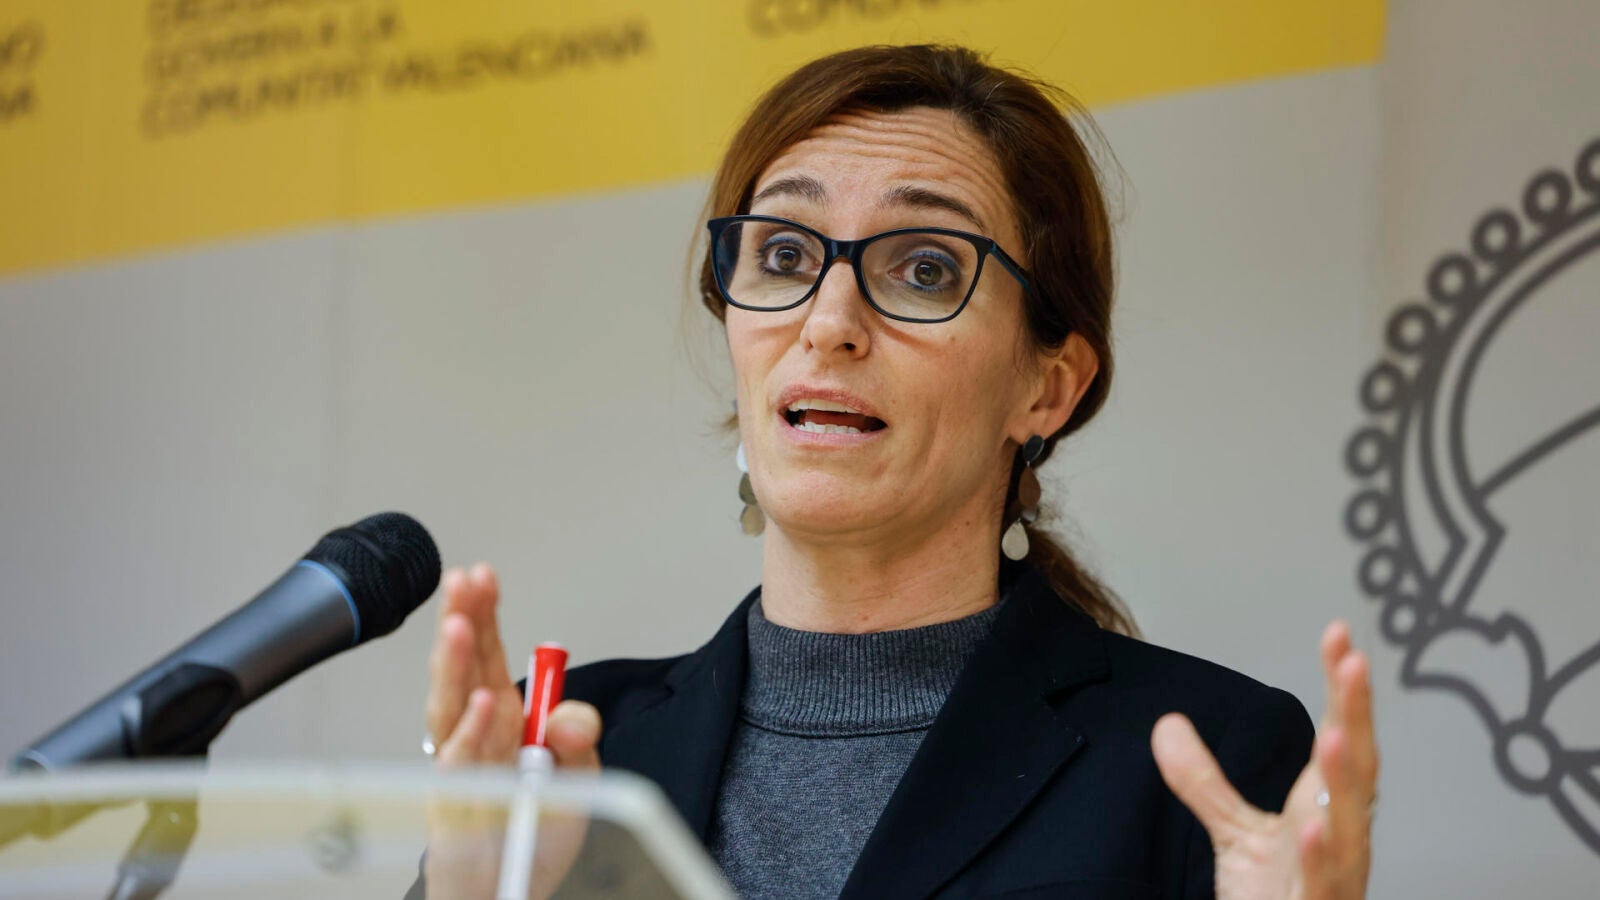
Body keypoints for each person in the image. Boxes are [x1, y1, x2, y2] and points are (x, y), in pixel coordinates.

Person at [417, 44, 1378, 899]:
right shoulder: (568, 751)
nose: (828, 321)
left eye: (925, 269)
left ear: (1047, 388)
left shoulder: (1211, 759)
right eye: (783, 253)